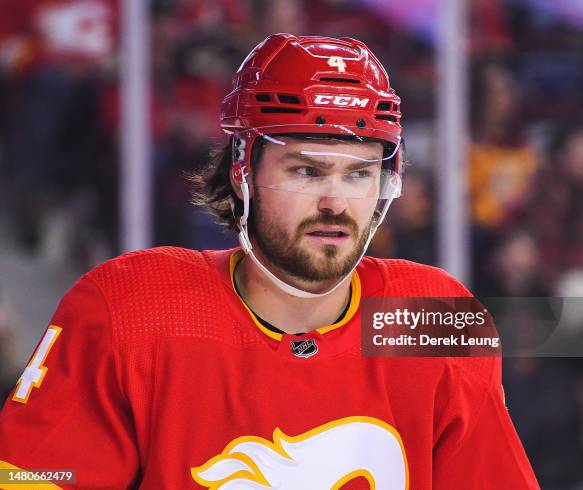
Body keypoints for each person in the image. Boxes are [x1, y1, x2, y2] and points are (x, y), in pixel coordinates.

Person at [0, 34, 538, 489]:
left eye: (358, 174)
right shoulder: (132, 305)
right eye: (307, 171)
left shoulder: (433, 319)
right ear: (242, 170)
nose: (335, 201)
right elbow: (31, 477)